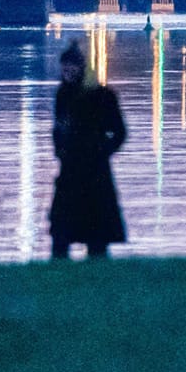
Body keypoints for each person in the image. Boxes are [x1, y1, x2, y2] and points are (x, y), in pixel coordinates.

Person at [49, 40, 127, 260]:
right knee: (62, 231)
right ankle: (60, 271)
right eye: (65, 67)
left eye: (72, 66)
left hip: (94, 171)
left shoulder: (102, 96)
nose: (68, 72)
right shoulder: (62, 95)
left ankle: (94, 267)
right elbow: (58, 128)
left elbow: (119, 132)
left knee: (96, 231)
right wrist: (60, 149)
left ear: (81, 67)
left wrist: (101, 151)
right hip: (71, 170)